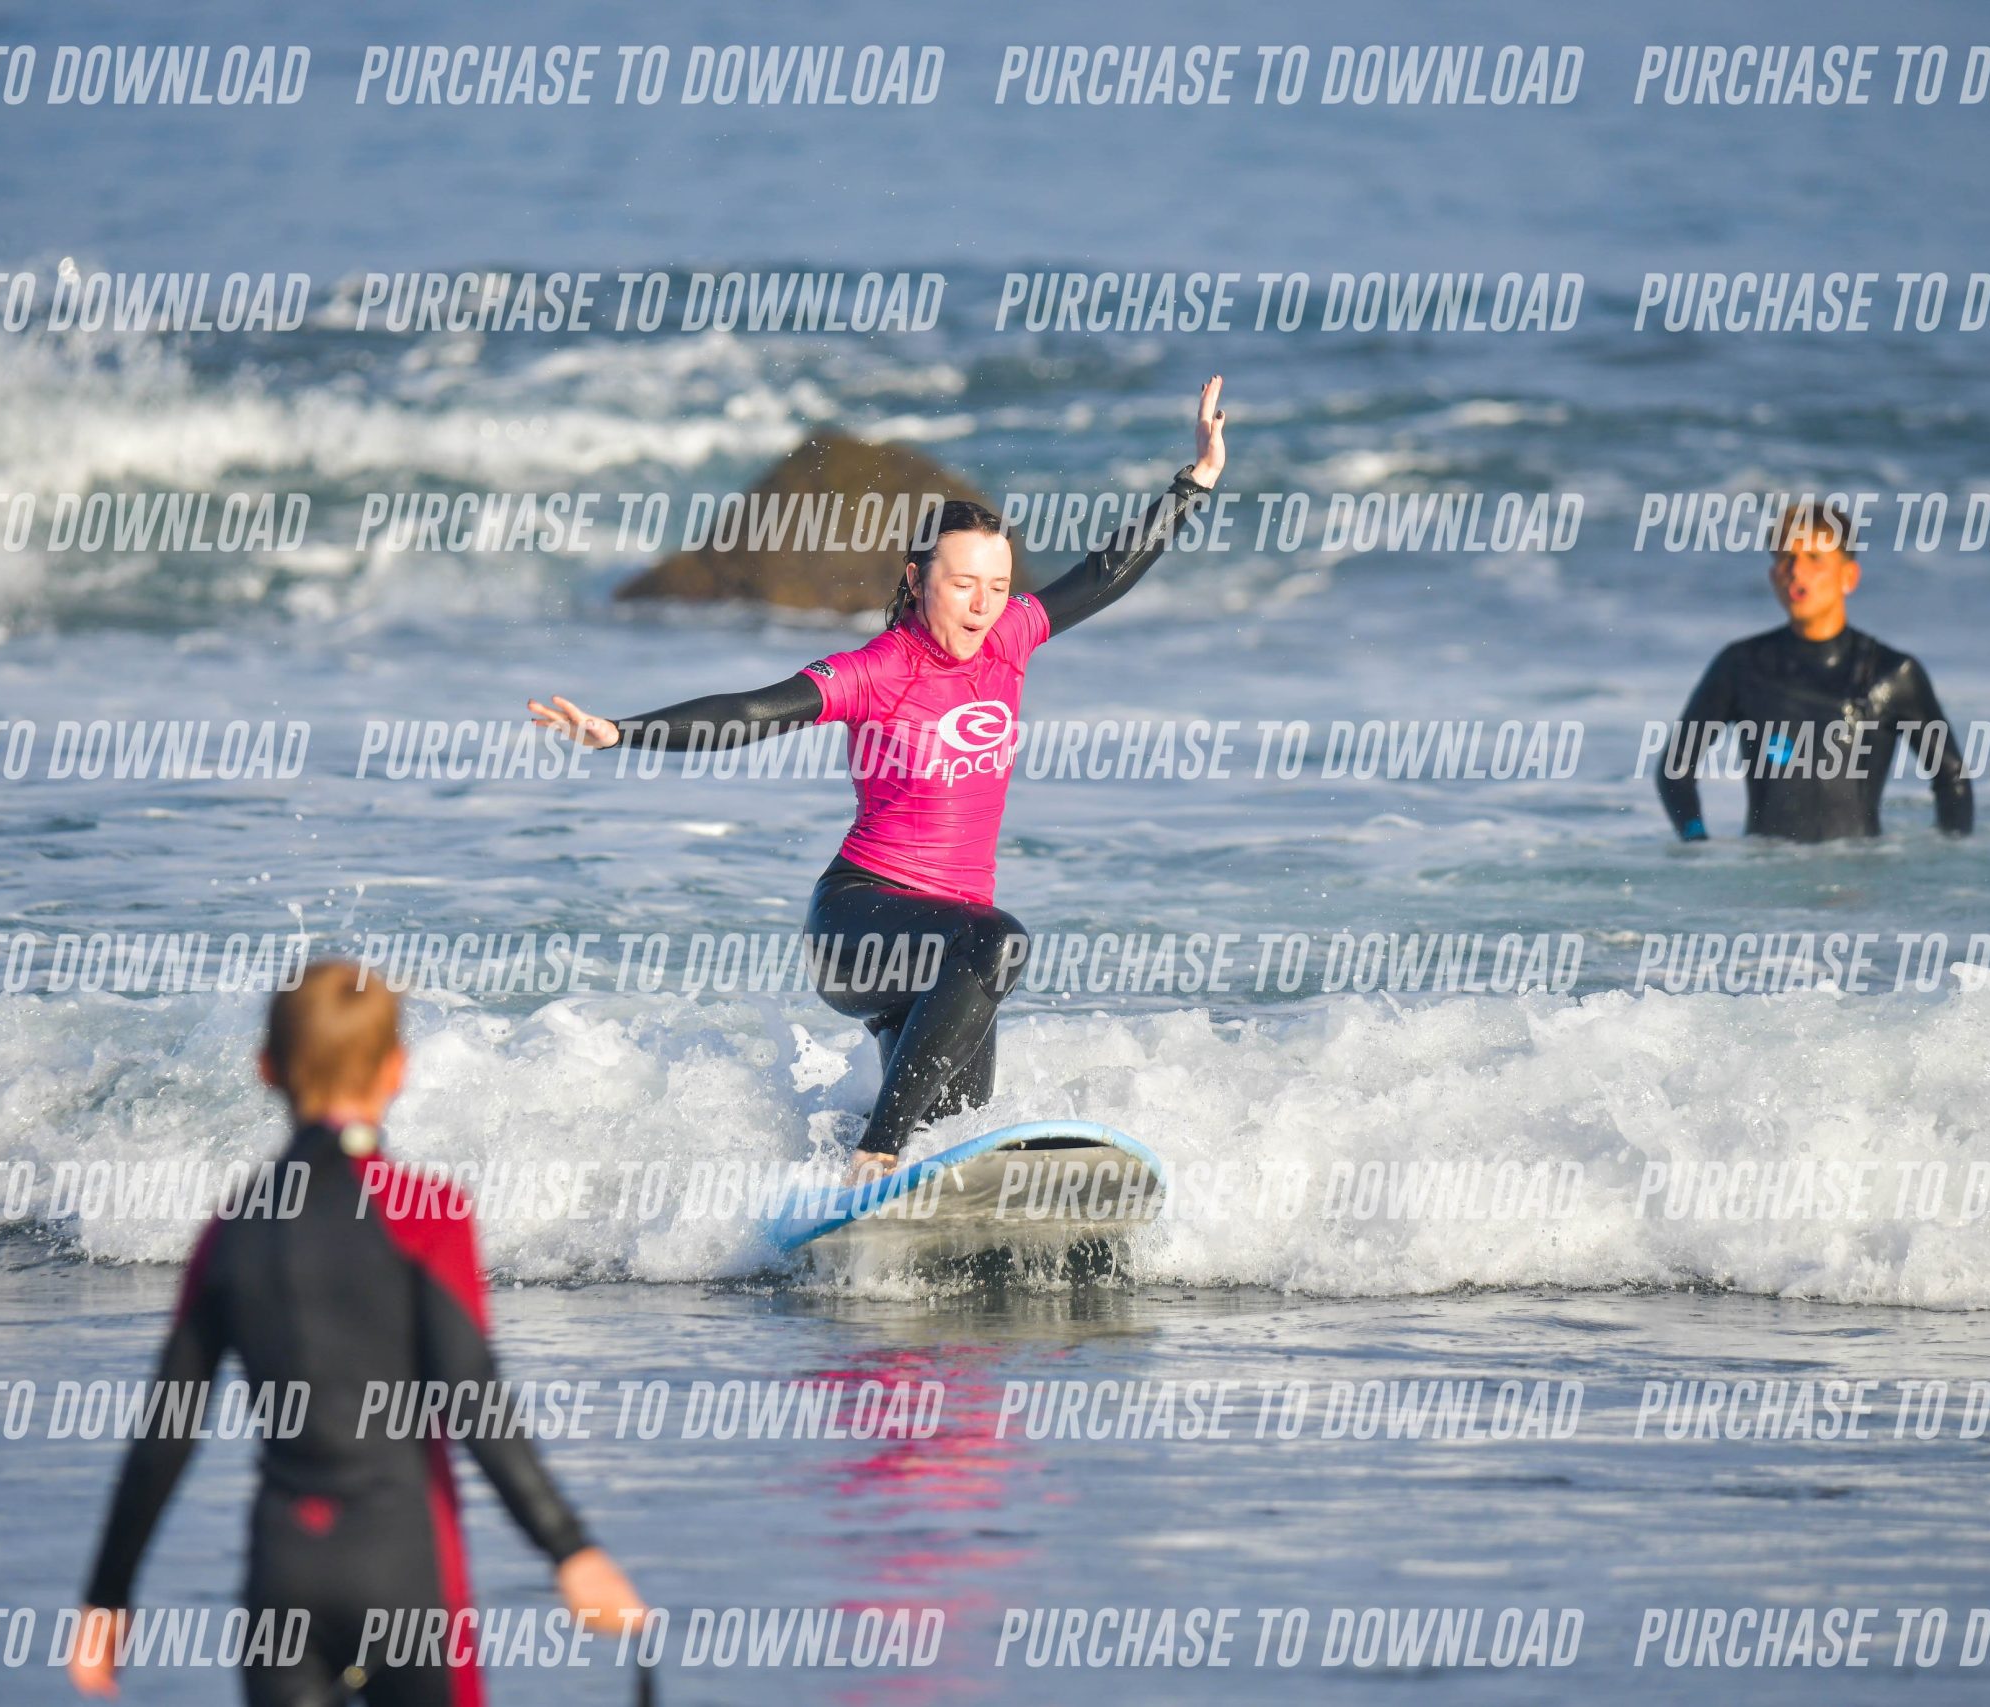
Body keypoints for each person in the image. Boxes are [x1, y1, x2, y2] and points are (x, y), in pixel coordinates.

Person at [532, 377, 1227, 1185]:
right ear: (916, 576)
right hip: (857, 925)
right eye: (962, 584)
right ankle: (874, 1154)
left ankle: (821, 1187)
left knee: (956, 1124)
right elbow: (754, 711)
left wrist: (1195, 480)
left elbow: (1104, 573)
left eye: (997, 586)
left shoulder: (1010, 638)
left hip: (946, 947)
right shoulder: (878, 669)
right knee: (998, 943)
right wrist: (623, 730)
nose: (982, 606)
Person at [68, 962, 643, 1704]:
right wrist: (570, 1549)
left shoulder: (234, 1227)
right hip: (405, 1571)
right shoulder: (426, 1215)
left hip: (284, 1577)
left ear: (266, 1068)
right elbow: (473, 1398)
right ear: (396, 1070)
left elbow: (168, 1427)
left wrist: (107, 1596)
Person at [1654, 501, 1972, 843]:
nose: (1796, 570)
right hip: (1764, 870)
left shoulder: (1891, 674)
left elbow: (1952, 779)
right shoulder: (1741, 666)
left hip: (1859, 871)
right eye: (1785, 557)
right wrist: (1696, 840)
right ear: (1773, 575)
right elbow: (1675, 769)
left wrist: (1947, 865)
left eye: (1814, 558)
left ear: (1848, 577)